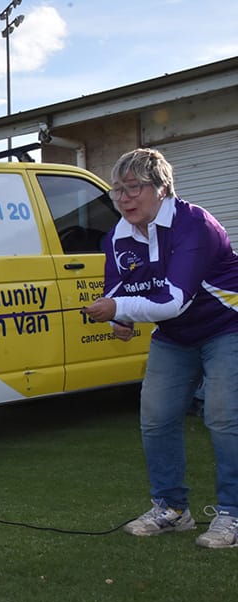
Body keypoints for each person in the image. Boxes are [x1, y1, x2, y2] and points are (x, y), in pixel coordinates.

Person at [83, 147, 238, 549]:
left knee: (224, 417)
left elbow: (173, 300)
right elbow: (117, 291)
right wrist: (118, 320)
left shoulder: (194, 224)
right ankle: (172, 510)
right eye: (117, 190)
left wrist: (119, 309)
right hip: (174, 336)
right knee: (156, 419)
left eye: (133, 187)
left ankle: (232, 514)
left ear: (162, 188)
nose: (124, 198)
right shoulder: (117, 236)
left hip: (227, 326)